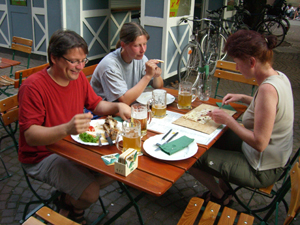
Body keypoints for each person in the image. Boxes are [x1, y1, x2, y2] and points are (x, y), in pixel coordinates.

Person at [18, 29, 131, 224]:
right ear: (54, 58)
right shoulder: (33, 87)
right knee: (91, 193)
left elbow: (96, 105)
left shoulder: (77, 78)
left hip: (71, 146)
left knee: (122, 166)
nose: (80, 67)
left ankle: (69, 202)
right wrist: (66, 128)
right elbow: (31, 136)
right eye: (74, 61)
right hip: (41, 155)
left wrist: (117, 106)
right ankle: (73, 204)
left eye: (83, 61)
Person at [189, 30, 294, 206]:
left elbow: (260, 143)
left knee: (191, 155)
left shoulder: (268, 90)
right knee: (213, 135)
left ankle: (219, 195)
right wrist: (244, 98)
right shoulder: (279, 77)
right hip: (272, 156)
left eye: (237, 63)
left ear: (252, 62)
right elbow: (270, 109)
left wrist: (229, 121)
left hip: (262, 168)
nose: (237, 68)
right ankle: (224, 187)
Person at [90, 22, 164, 105]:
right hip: (104, 113)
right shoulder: (110, 66)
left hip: (127, 107)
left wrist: (156, 74)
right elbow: (125, 100)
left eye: (144, 44)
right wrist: (148, 76)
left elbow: (158, 87)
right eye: (137, 45)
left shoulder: (139, 57)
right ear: (123, 45)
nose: (143, 50)